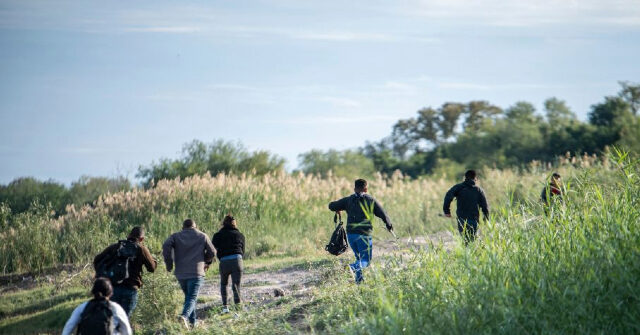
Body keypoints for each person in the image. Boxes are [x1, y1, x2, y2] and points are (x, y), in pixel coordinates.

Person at [328, 179, 393, 284]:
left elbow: (331, 206)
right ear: (366, 189)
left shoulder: (348, 200)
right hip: (364, 235)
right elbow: (383, 213)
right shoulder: (370, 200)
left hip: (351, 235)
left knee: (359, 258)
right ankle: (350, 268)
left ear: (354, 189)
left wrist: (338, 208)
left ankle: (359, 282)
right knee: (366, 261)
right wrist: (389, 225)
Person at [162, 218, 215, 329]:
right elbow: (212, 252)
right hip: (196, 272)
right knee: (191, 298)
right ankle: (184, 317)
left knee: (189, 298)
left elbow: (166, 245)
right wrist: (205, 261)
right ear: (195, 226)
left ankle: (192, 323)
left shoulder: (175, 236)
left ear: (183, 228)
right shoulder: (202, 236)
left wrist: (169, 264)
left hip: (181, 273)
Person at [93, 226, 157, 316]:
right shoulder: (141, 249)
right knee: (123, 319)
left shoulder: (116, 246)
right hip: (131, 289)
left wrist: (104, 276)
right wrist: (152, 260)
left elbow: (97, 260)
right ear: (141, 239)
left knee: (111, 318)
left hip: (114, 287)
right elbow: (152, 268)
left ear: (128, 235)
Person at [62, 277, 132, 335]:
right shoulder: (116, 308)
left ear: (93, 292)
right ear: (110, 293)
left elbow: (69, 326)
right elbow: (126, 330)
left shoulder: (83, 307)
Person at [443, 169, 489, 245]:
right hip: (474, 220)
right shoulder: (478, 190)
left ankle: (466, 255)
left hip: (462, 220)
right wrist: (486, 220)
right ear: (476, 178)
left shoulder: (458, 188)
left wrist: (446, 211)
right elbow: (485, 207)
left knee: (465, 241)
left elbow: (448, 196)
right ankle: (472, 255)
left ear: (465, 177)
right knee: (473, 241)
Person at [212, 214, 245, 313]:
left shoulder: (217, 235)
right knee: (236, 285)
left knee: (223, 284)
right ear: (235, 224)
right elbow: (242, 251)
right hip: (237, 261)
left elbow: (213, 249)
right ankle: (238, 309)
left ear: (223, 223)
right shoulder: (240, 235)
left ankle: (225, 307)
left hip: (224, 262)